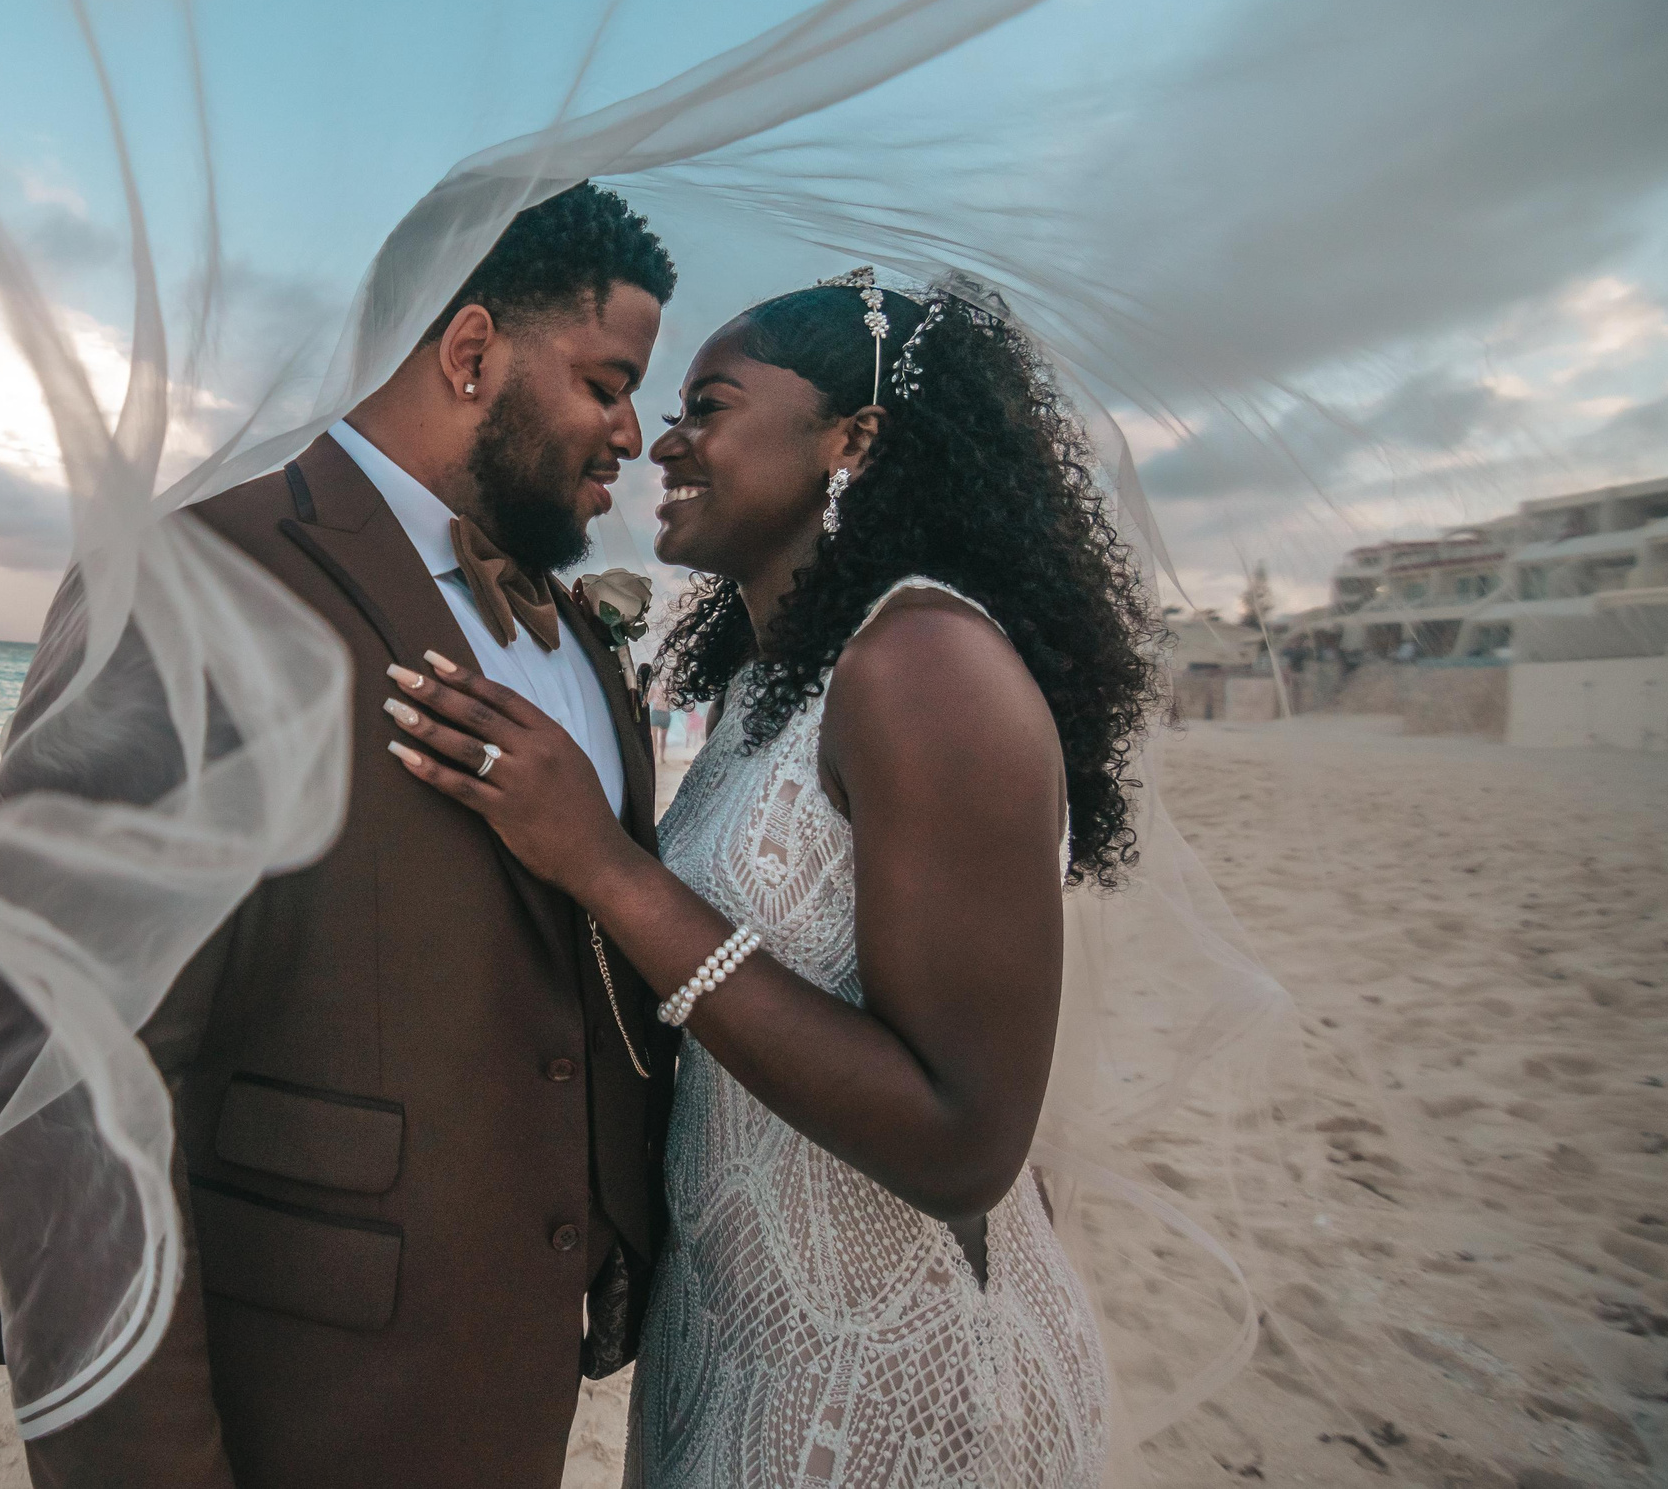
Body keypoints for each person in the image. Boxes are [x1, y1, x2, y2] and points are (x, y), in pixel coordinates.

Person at [387, 271, 1159, 1488]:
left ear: (852, 440)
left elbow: (965, 1141)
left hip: (888, 1369)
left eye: (709, 405)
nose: (664, 442)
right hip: (738, 1330)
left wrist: (599, 864)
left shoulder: (925, 666)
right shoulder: (771, 684)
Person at [0, 183, 681, 1488]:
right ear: (470, 353)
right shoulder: (191, 587)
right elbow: (66, 1105)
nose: (634, 428)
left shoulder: (581, 635)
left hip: (513, 1387)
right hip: (304, 1402)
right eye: (606, 380)